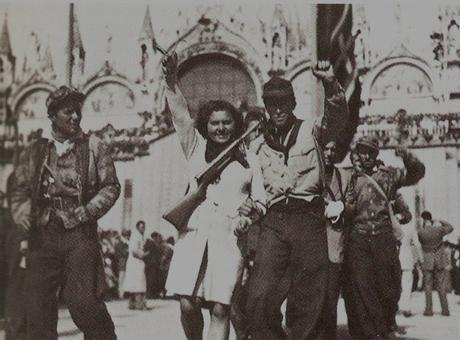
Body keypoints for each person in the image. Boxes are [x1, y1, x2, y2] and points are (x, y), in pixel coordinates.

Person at [238, 60, 349, 340]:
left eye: (284, 103)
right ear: (265, 106)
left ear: (293, 103)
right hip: (274, 222)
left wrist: (329, 82)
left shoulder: (312, 130)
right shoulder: (256, 145)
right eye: (272, 104)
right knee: (259, 298)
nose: (278, 109)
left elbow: (337, 117)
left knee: (310, 296)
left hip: (308, 218)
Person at [163, 52, 267, 340]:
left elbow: (261, 201)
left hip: (230, 237)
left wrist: (252, 212)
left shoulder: (251, 160)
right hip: (194, 234)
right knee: (187, 304)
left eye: (226, 123)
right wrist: (171, 81)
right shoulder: (195, 149)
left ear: (236, 125)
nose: (220, 128)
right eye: (214, 123)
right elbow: (180, 114)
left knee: (221, 308)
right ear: (205, 127)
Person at [8, 85, 120, 340]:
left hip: (79, 235)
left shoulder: (95, 146)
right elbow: (19, 189)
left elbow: (111, 187)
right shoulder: (35, 150)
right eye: (68, 112)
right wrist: (23, 214)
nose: (75, 117)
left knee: (84, 303)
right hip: (43, 234)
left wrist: (87, 211)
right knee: (38, 307)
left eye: (77, 112)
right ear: (52, 116)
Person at [343, 136, 425, 340]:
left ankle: (387, 322)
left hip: (383, 237)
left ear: (376, 154)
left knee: (389, 287)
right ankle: (372, 333)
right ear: (358, 153)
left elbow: (416, 174)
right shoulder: (350, 177)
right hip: (358, 239)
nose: (366, 156)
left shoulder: (388, 175)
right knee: (363, 288)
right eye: (363, 151)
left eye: (371, 152)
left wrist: (407, 156)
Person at [417, 211, 453, 316]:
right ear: (431, 219)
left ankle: (428, 310)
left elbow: (421, 242)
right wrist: (439, 220)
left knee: (428, 286)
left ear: (423, 220)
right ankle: (445, 310)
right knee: (441, 286)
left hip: (427, 262)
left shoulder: (421, 232)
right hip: (439, 261)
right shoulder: (439, 230)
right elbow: (450, 227)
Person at [396, 192, 423, 318]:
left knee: (394, 284)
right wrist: (420, 258)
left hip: (393, 258)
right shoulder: (410, 227)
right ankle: (406, 307)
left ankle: (393, 307)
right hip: (407, 259)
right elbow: (417, 244)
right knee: (406, 284)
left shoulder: (391, 224)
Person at [124, 220, 149, 310]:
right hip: (135, 262)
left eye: (144, 227)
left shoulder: (141, 236)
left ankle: (133, 304)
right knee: (138, 283)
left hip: (137, 262)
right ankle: (139, 304)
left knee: (136, 283)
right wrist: (144, 255)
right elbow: (134, 251)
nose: (144, 229)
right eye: (142, 227)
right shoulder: (136, 236)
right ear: (138, 227)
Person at [114, 229, 130, 299]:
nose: (127, 237)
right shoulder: (120, 244)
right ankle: (121, 294)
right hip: (122, 263)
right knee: (121, 279)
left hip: (125, 263)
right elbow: (124, 253)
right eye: (126, 235)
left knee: (125, 278)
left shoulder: (125, 243)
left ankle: (125, 293)